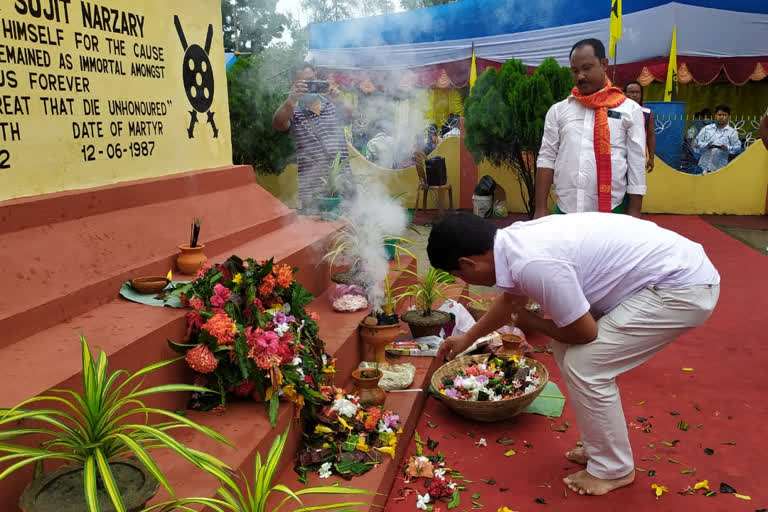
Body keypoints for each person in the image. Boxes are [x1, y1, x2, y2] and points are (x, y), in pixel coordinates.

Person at [430, 212, 720, 496]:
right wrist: (468, 336)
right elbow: (511, 300)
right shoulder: (512, 243)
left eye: (458, 274)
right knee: (566, 347)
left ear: (467, 263)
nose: (463, 279)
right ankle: (600, 449)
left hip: (681, 287)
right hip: (667, 274)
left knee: (587, 362)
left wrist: (533, 323)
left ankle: (614, 469)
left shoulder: (533, 263)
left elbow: (585, 333)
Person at [534, 39, 646, 219]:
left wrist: (634, 212)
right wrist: (540, 209)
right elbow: (546, 158)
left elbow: (636, 163)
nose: (580, 76)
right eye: (575, 70)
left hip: (612, 210)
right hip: (565, 209)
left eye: (587, 68)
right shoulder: (559, 110)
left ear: (604, 64)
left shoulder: (629, 110)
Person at [272, 62, 352, 209]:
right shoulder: (293, 112)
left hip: (344, 184)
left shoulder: (333, 105)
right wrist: (291, 99)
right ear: (294, 85)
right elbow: (278, 122)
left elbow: (351, 115)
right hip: (312, 192)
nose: (309, 86)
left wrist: (339, 99)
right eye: (303, 83)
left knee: (349, 227)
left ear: (317, 79)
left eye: (311, 80)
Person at [693, 104, 741, 173]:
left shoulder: (732, 132)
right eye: (719, 115)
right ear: (715, 116)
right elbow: (696, 143)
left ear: (729, 117)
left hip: (720, 169)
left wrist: (727, 148)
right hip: (703, 167)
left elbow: (737, 148)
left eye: (724, 115)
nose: (721, 117)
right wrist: (706, 145)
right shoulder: (707, 129)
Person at [623, 81, 656, 172]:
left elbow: (651, 136)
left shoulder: (648, 113)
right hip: (619, 156)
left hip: (638, 157)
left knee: (637, 185)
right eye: (631, 92)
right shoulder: (617, 112)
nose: (635, 95)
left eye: (637, 92)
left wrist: (651, 158)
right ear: (625, 94)